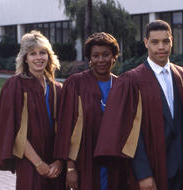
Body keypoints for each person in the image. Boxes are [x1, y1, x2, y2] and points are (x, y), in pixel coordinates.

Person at [94, 20, 183, 190]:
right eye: (155, 42)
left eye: (166, 41)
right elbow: (130, 134)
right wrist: (143, 173)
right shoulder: (131, 81)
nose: (161, 47)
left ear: (172, 41)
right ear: (146, 43)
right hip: (154, 168)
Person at [54, 32, 127, 190]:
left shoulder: (121, 85)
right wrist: (71, 168)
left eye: (106, 55)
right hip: (84, 159)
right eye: (96, 55)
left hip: (113, 162)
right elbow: (66, 128)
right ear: (89, 59)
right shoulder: (75, 84)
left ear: (114, 57)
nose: (101, 60)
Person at [0, 30, 64, 190]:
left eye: (43, 52)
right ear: (25, 58)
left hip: (55, 162)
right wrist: (38, 163)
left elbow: (66, 128)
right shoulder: (15, 86)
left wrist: (60, 161)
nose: (39, 57)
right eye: (32, 53)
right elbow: (12, 129)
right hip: (29, 161)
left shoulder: (57, 88)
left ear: (49, 56)